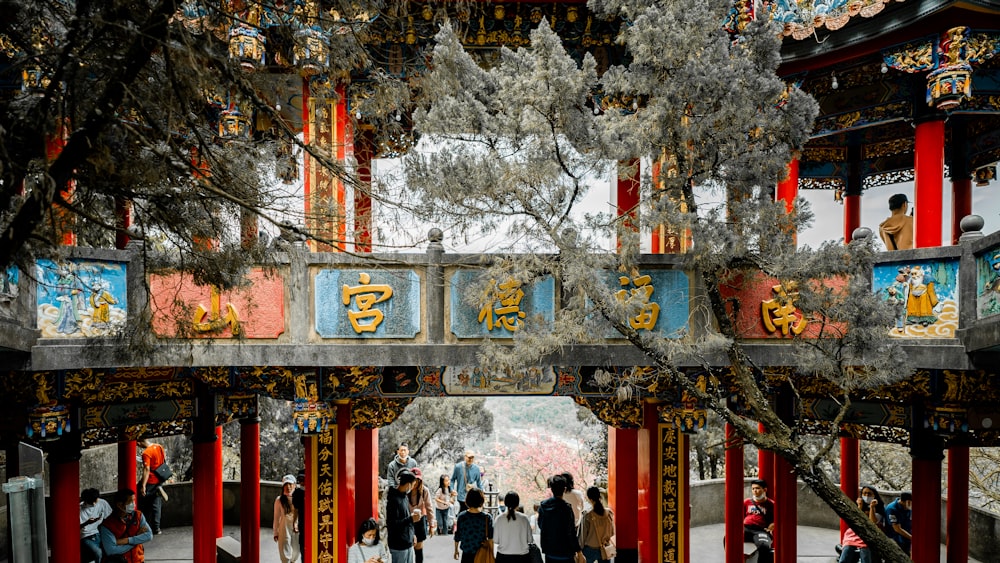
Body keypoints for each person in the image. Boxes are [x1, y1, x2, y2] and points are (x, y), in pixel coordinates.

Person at [538, 474, 584, 563]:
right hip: (565, 551)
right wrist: (579, 551)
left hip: (549, 550)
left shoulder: (543, 506)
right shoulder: (566, 508)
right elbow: (571, 532)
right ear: (564, 489)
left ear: (551, 489)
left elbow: (541, 525)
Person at [99, 488, 152, 563]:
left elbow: (149, 535)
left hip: (138, 559)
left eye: (134, 500)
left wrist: (126, 540)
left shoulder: (138, 515)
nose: (134, 504)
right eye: (130, 502)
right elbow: (111, 550)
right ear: (119, 505)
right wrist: (136, 538)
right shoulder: (107, 525)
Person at [838, 485, 887, 563]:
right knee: (845, 554)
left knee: (865, 557)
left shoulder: (879, 507)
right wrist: (859, 506)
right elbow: (855, 519)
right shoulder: (859, 504)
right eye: (864, 493)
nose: (866, 496)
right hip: (854, 533)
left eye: (869, 494)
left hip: (869, 534)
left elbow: (872, 523)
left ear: (874, 495)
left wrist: (872, 508)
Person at [387, 468, 421, 563]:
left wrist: (412, 534)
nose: (413, 487)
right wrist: (411, 519)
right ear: (408, 484)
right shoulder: (393, 500)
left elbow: (407, 517)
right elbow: (392, 524)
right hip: (398, 545)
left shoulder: (404, 497)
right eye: (413, 484)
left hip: (408, 542)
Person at [453, 488, 494, 563]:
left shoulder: (462, 516)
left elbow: (457, 535)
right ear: (481, 500)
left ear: (468, 500)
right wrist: (491, 554)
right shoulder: (487, 517)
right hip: (482, 554)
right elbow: (490, 539)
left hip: (466, 555)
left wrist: (456, 550)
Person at [136, 438, 167, 535]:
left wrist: (143, 485)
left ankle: (144, 527)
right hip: (160, 478)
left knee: (141, 503)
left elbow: (146, 469)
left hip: (151, 480)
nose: (138, 445)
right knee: (156, 504)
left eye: (138, 444)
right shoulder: (159, 446)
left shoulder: (146, 453)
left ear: (139, 442)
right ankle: (157, 528)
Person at [578, 487, 614, 563]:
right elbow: (612, 532)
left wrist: (579, 550)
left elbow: (582, 536)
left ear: (589, 498)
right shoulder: (608, 513)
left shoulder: (587, 515)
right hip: (605, 547)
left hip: (590, 549)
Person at [407, 468, 436, 563]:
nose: (415, 482)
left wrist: (431, 525)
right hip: (407, 520)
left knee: (418, 548)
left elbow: (429, 508)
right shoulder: (405, 490)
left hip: (420, 520)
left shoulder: (424, 491)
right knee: (408, 546)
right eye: (413, 479)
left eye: (417, 480)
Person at [495, 490, 532, 563]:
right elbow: (530, 540)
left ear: (505, 503)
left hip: (503, 557)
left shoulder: (499, 519)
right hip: (522, 558)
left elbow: (496, 540)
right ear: (517, 504)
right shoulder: (524, 518)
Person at [743, 479, 775, 563]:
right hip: (746, 528)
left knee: (764, 546)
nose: (754, 491)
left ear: (765, 489)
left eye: (757, 488)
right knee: (728, 538)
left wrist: (772, 525)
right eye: (753, 489)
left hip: (760, 530)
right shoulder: (746, 502)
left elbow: (777, 519)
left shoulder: (771, 504)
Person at [80, 487, 113, 563]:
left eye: (96, 500)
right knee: (98, 553)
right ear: (85, 501)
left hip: (98, 532)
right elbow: (76, 527)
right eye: (91, 502)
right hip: (85, 536)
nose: (94, 503)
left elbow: (110, 516)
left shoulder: (102, 502)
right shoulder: (80, 509)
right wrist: (87, 522)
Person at [273, 474, 300, 563]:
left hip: (297, 527)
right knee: (284, 550)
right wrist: (275, 532)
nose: (288, 487)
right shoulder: (279, 500)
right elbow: (276, 517)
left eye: (290, 484)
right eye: (285, 484)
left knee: (296, 550)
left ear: (295, 485)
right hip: (284, 528)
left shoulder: (300, 498)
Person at [885, 491, 912, 555]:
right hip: (896, 539)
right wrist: (912, 538)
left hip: (907, 538)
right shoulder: (892, 509)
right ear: (905, 501)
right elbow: (897, 528)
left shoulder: (908, 508)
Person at [292, 469, 306, 562]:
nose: (302, 482)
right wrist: (295, 522)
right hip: (302, 524)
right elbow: (296, 509)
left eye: (303, 479)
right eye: (300, 480)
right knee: (303, 549)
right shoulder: (297, 493)